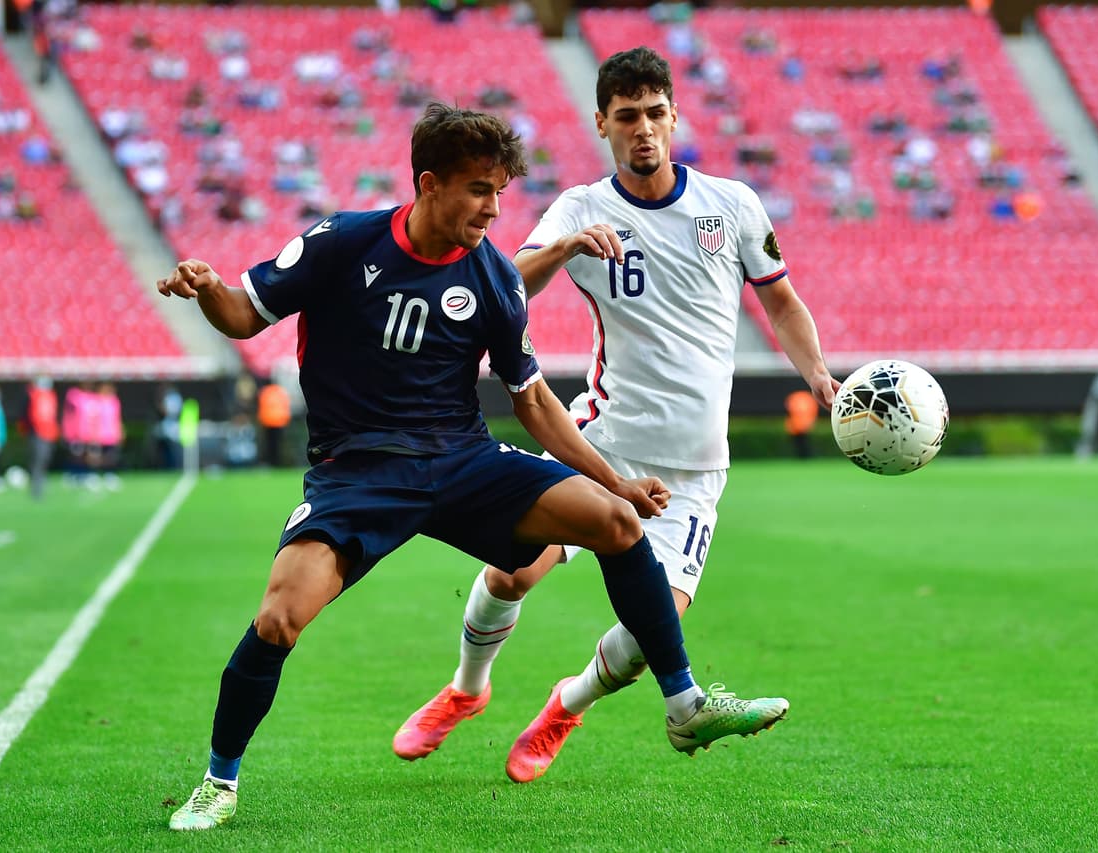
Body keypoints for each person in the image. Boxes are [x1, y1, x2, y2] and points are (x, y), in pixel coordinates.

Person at [155, 103, 786, 832]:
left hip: (462, 462)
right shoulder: (341, 241)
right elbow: (243, 314)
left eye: (500, 192)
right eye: (480, 190)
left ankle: (683, 705)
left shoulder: (494, 278)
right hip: (358, 473)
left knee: (614, 523)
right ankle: (218, 782)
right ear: (430, 184)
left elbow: (537, 403)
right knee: (277, 620)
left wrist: (617, 482)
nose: (494, 208)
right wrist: (207, 289)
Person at [394, 47, 838, 784]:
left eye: (656, 114)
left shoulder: (731, 205)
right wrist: (564, 245)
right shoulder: (581, 207)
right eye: (626, 116)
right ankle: (466, 691)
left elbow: (781, 300)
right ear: (602, 122)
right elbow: (506, 288)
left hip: (694, 469)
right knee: (511, 571)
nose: (644, 130)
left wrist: (818, 372)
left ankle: (564, 705)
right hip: (600, 443)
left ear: (675, 117)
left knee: (646, 633)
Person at [24, 374, 59, 499]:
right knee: (37, 460)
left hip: (49, 433)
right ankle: (36, 489)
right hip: (37, 433)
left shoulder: (51, 395)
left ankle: (41, 484)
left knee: (45, 460)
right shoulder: (33, 395)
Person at [256, 379, 290, 467]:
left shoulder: (264, 391)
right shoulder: (280, 391)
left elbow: (260, 406)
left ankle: (271, 462)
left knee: (269, 444)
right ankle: (278, 462)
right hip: (280, 422)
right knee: (278, 444)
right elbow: (286, 405)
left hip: (268, 422)